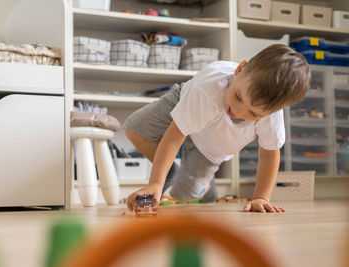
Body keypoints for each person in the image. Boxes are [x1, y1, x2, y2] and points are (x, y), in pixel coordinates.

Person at [123, 44, 311, 213]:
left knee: (184, 194)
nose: (237, 111)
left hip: (210, 150)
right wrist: (156, 183)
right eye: (238, 97)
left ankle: (204, 186)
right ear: (239, 69)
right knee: (134, 128)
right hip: (189, 104)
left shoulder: (271, 116)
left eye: (253, 114)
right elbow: (174, 136)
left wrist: (261, 197)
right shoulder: (208, 87)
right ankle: (170, 170)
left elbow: (269, 154)